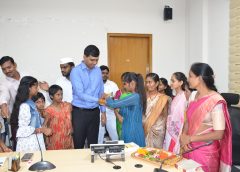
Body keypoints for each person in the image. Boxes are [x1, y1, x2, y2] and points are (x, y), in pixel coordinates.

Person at [180, 63, 232, 172]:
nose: (187, 79)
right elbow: (188, 120)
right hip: (188, 147)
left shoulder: (216, 101)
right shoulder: (193, 96)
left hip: (205, 152)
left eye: (190, 76)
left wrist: (190, 138)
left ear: (199, 78)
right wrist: (183, 136)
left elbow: (219, 134)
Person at [70, 45, 106, 148]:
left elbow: (101, 91)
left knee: (93, 144)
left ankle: (92, 164)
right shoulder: (76, 71)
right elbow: (80, 94)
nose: (94, 63)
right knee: (79, 143)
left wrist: (103, 111)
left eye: (96, 60)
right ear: (84, 57)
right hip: (79, 113)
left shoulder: (98, 70)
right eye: (92, 60)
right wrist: (97, 100)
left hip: (95, 112)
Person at [102, 72, 146, 147]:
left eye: (125, 84)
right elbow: (125, 113)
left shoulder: (135, 97)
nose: (124, 87)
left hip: (132, 130)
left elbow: (113, 104)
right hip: (128, 128)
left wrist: (106, 96)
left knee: (132, 153)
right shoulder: (135, 96)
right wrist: (117, 108)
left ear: (132, 83)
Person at [12, 76, 50, 152]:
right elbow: (23, 129)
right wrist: (42, 130)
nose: (37, 89)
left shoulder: (31, 103)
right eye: (36, 87)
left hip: (35, 139)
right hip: (28, 142)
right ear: (29, 88)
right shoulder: (25, 106)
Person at [0, 56, 26, 150]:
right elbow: (4, 94)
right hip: (17, 120)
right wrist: (3, 105)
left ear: (15, 65)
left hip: (31, 116)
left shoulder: (25, 75)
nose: (7, 71)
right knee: (18, 145)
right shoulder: (4, 83)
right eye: (4, 69)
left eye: (9, 67)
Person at [144, 73, 170, 148]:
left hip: (158, 130)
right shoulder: (143, 97)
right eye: (146, 82)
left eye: (150, 82)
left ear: (157, 83)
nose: (148, 84)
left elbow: (165, 116)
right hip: (145, 128)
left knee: (157, 154)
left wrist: (164, 132)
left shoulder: (164, 98)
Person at [163, 72, 187, 154]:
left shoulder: (183, 96)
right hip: (171, 128)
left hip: (177, 130)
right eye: (171, 81)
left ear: (181, 83)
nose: (171, 83)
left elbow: (183, 117)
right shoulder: (177, 96)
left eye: (173, 81)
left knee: (173, 154)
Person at [44, 85, 73, 150]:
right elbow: (46, 126)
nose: (61, 97)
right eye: (58, 95)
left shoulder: (67, 106)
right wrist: (47, 141)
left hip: (67, 139)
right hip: (55, 140)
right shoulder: (48, 110)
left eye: (61, 94)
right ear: (51, 96)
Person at [98, 65, 119, 144]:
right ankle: (99, 151)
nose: (105, 75)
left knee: (114, 134)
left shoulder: (112, 84)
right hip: (99, 113)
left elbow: (118, 96)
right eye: (103, 73)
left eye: (106, 73)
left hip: (110, 112)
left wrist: (108, 96)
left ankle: (117, 151)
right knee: (99, 135)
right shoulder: (95, 84)